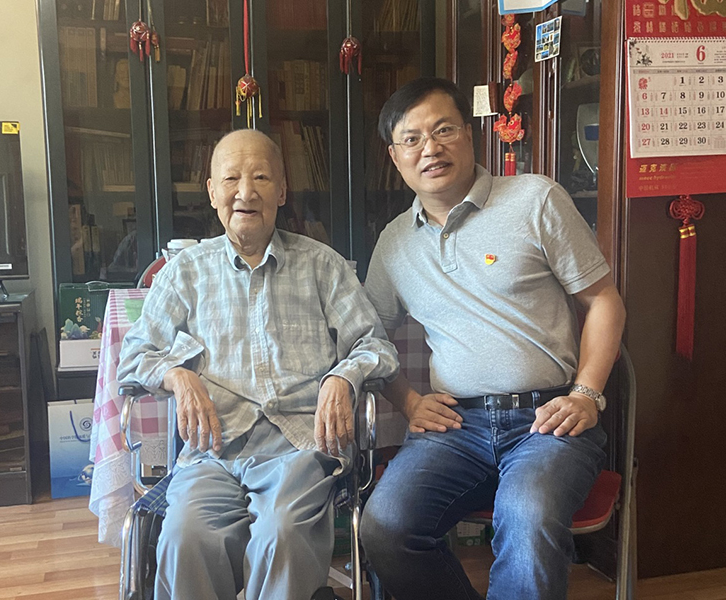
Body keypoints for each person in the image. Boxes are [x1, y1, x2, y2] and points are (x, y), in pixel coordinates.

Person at [359, 77, 626, 600]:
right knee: (386, 525)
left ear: (470, 133)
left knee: (528, 514)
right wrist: (407, 400)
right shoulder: (393, 242)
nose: (430, 148)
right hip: (456, 426)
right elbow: (368, 339)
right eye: (411, 139)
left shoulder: (535, 199)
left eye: (443, 130)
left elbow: (603, 302)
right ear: (395, 156)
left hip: (548, 418)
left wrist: (587, 393)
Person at [117, 129, 398, 600]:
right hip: (213, 448)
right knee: (186, 536)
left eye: (261, 178)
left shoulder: (323, 265)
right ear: (212, 192)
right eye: (231, 179)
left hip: (300, 446)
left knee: (281, 533)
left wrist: (343, 376)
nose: (245, 192)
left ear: (282, 191)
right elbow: (133, 357)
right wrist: (175, 374)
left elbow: (376, 346)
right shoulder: (185, 271)